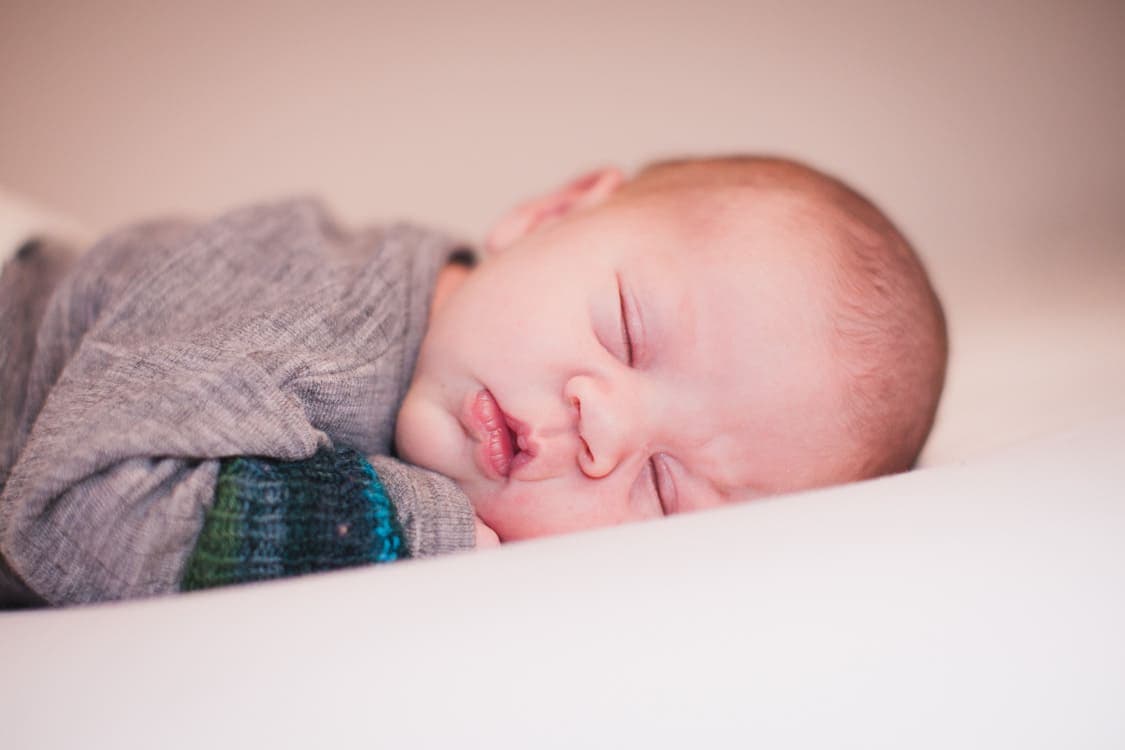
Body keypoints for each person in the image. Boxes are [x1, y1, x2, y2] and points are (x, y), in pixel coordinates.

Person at [0, 155, 946, 607]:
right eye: (625, 327)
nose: (602, 428)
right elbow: (84, 508)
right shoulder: (311, 308)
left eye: (661, 487)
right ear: (549, 212)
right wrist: (429, 534)